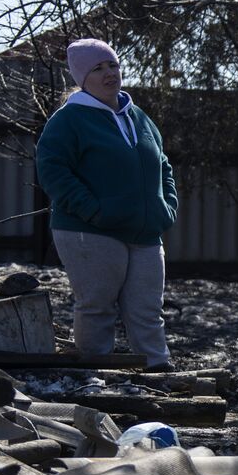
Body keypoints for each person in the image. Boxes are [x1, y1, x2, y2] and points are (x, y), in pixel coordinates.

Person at [36, 38, 178, 372]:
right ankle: (94, 375)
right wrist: (94, 210)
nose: (108, 73)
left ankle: (158, 371)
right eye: (97, 69)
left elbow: (163, 165)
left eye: (112, 65)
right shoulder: (69, 119)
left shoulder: (138, 117)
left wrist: (166, 206)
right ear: (82, 79)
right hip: (89, 230)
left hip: (144, 231)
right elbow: (52, 170)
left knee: (147, 309)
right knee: (97, 307)